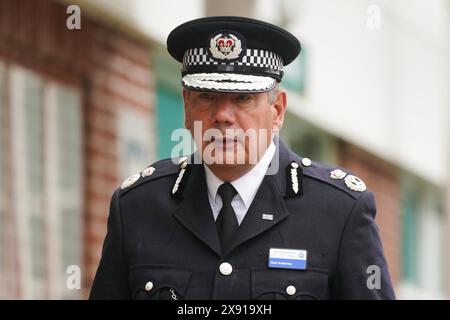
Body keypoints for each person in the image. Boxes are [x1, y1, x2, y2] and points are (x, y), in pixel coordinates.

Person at [89, 16, 395, 300]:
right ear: (186, 107)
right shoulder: (137, 209)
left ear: (277, 111)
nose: (223, 116)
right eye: (206, 96)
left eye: (243, 98)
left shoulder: (339, 212)